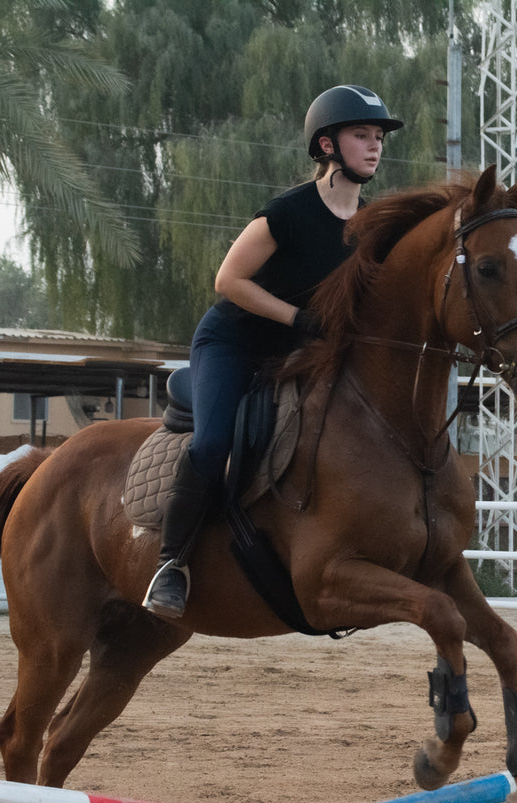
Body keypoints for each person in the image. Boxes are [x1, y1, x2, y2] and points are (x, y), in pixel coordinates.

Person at [143, 84, 404, 619]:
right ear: (327, 145)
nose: (374, 146)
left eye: (378, 137)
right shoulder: (287, 213)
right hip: (235, 344)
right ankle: (172, 565)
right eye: (362, 135)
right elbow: (228, 279)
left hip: (302, 352)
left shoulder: (373, 227)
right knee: (214, 442)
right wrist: (298, 319)